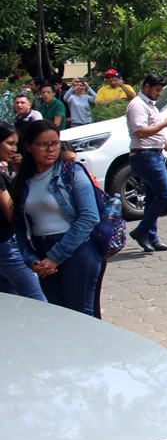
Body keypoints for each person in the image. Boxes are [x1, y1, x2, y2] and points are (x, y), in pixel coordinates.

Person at [12, 120, 102, 315]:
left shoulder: (72, 172)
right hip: (42, 253)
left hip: (76, 250)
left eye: (55, 144)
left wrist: (55, 257)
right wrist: (32, 260)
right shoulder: (22, 181)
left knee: (81, 317)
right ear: (28, 147)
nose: (50, 150)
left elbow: (89, 217)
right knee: (60, 318)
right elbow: (19, 226)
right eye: (43, 145)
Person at [125, 73, 167, 253]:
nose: (158, 94)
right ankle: (141, 231)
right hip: (144, 155)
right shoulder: (137, 106)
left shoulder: (150, 106)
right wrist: (164, 124)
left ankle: (151, 238)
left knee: (153, 197)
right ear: (146, 87)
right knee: (166, 194)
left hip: (155, 154)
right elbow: (140, 132)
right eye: (156, 90)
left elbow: (157, 133)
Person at [0, 122, 45, 301]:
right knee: (37, 300)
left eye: (15, 144)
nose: (14, 149)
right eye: (9, 143)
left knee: (9, 302)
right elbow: (11, 212)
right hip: (6, 245)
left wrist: (19, 171)